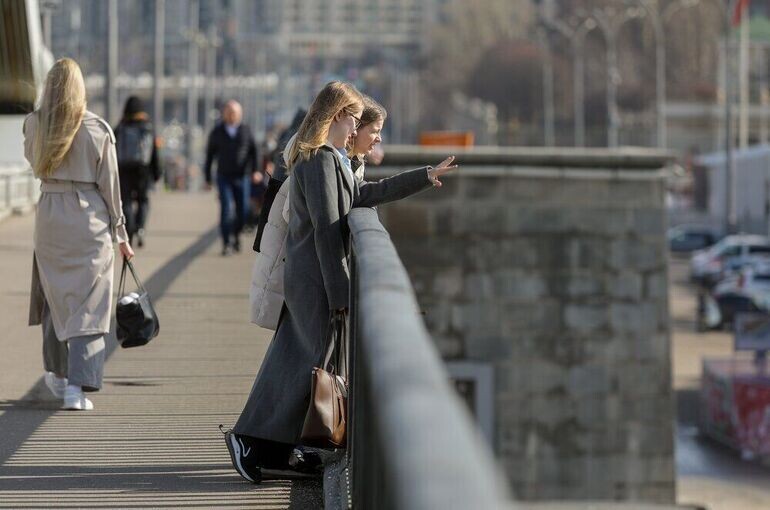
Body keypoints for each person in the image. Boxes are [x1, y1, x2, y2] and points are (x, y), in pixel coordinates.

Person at [223, 81, 457, 483]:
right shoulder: (320, 161)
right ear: (335, 116)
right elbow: (327, 233)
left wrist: (423, 176)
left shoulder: (330, 159)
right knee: (302, 361)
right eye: (352, 118)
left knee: (305, 361)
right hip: (313, 280)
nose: (355, 128)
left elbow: (364, 195)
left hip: (314, 277)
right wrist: (340, 293)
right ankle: (250, 438)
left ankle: (276, 445)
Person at [23, 58, 134, 411]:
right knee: (89, 304)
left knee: (55, 296)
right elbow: (111, 187)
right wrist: (121, 234)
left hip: (50, 213)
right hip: (88, 216)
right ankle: (77, 386)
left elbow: (31, 161)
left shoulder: (34, 124)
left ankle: (55, 373)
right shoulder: (97, 129)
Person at [204, 100, 260, 255]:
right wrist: (207, 178)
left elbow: (254, 152)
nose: (231, 115)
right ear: (224, 114)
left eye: (234, 112)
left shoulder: (246, 130)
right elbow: (210, 156)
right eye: (228, 112)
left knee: (243, 211)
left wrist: (256, 171)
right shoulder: (217, 132)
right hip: (224, 177)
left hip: (242, 177)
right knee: (226, 210)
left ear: (240, 114)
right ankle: (226, 243)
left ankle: (236, 235)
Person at [252, 108, 307, 252]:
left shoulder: (285, 135)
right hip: (286, 185)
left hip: (276, 183)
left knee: (272, 227)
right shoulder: (301, 138)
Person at [114, 96, 162, 248]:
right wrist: (157, 173)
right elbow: (155, 154)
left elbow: (112, 151)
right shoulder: (147, 128)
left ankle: (129, 229)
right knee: (143, 200)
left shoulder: (120, 127)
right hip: (143, 170)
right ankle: (140, 228)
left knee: (126, 201)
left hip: (124, 169)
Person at [348, 95, 387, 182]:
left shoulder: (358, 162)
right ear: (356, 128)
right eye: (374, 132)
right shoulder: (337, 162)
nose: (379, 139)